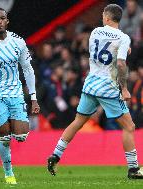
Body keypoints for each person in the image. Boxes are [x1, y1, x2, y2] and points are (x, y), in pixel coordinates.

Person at [47, 4, 143, 179]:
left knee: (77, 122)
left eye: (103, 15)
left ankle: (55, 154)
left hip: (90, 85)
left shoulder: (95, 32)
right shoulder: (123, 37)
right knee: (129, 126)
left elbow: (99, 52)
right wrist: (124, 89)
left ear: (107, 17)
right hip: (108, 88)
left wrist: (123, 49)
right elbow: (120, 63)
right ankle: (133, 169)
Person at [0, 7, 40, 184]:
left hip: (15, 93)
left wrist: (33, 97)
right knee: (4, 136)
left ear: (7, 21)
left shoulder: (18, 42)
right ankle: (8, 172)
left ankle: (8, 122)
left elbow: (28, 69)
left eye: (2, 18)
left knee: (21, 136)